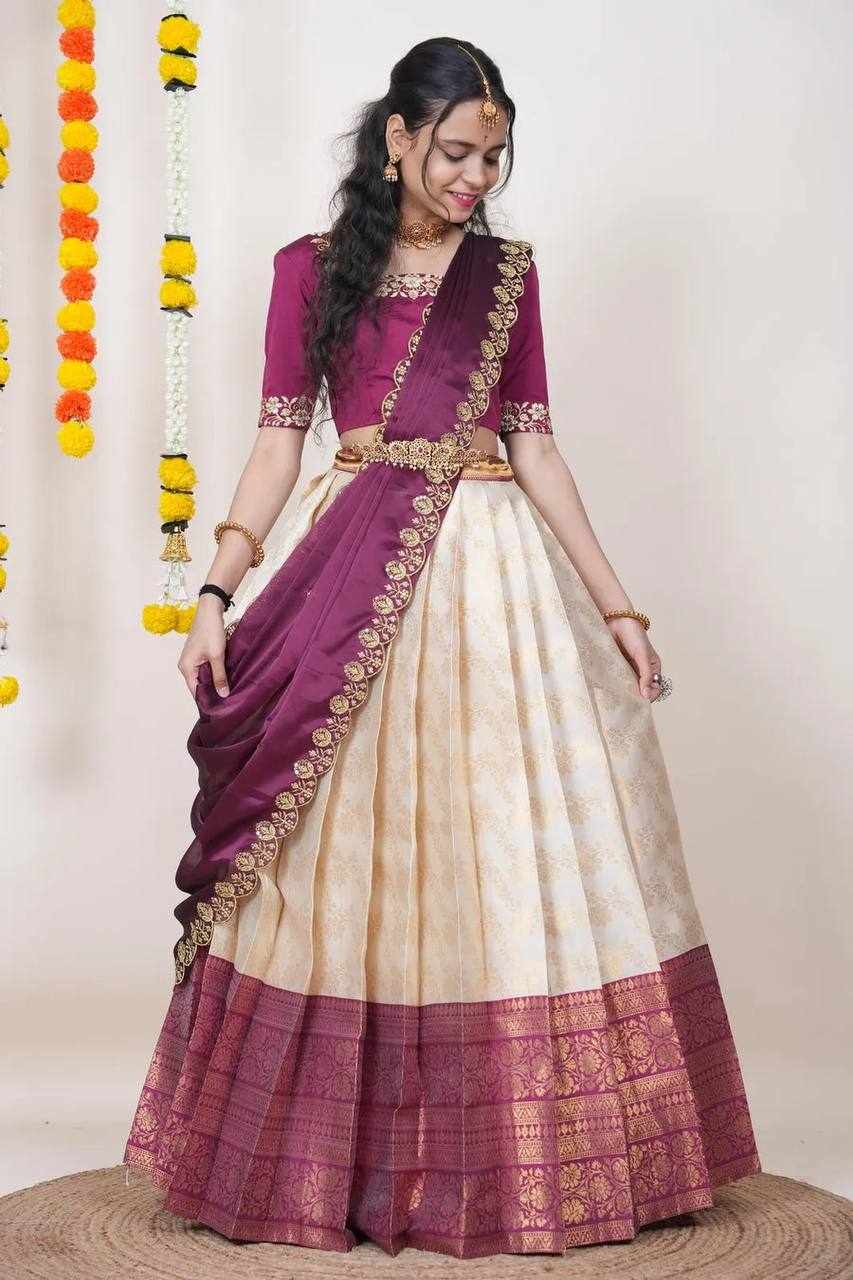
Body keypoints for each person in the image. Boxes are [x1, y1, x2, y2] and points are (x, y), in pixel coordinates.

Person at [123, 36, 761, 1258]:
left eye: (493, 156)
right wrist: (214, 589)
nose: (476, 177)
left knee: (507, 853)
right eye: (457, 151)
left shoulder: (506, 276)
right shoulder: (310, 270)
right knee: (345, 862)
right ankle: (331, 1160)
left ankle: (516, 1160)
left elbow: (536, 447)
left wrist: (618, 608)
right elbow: (277, 443)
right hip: (353, 572)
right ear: (398, 139)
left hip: (494, 577)